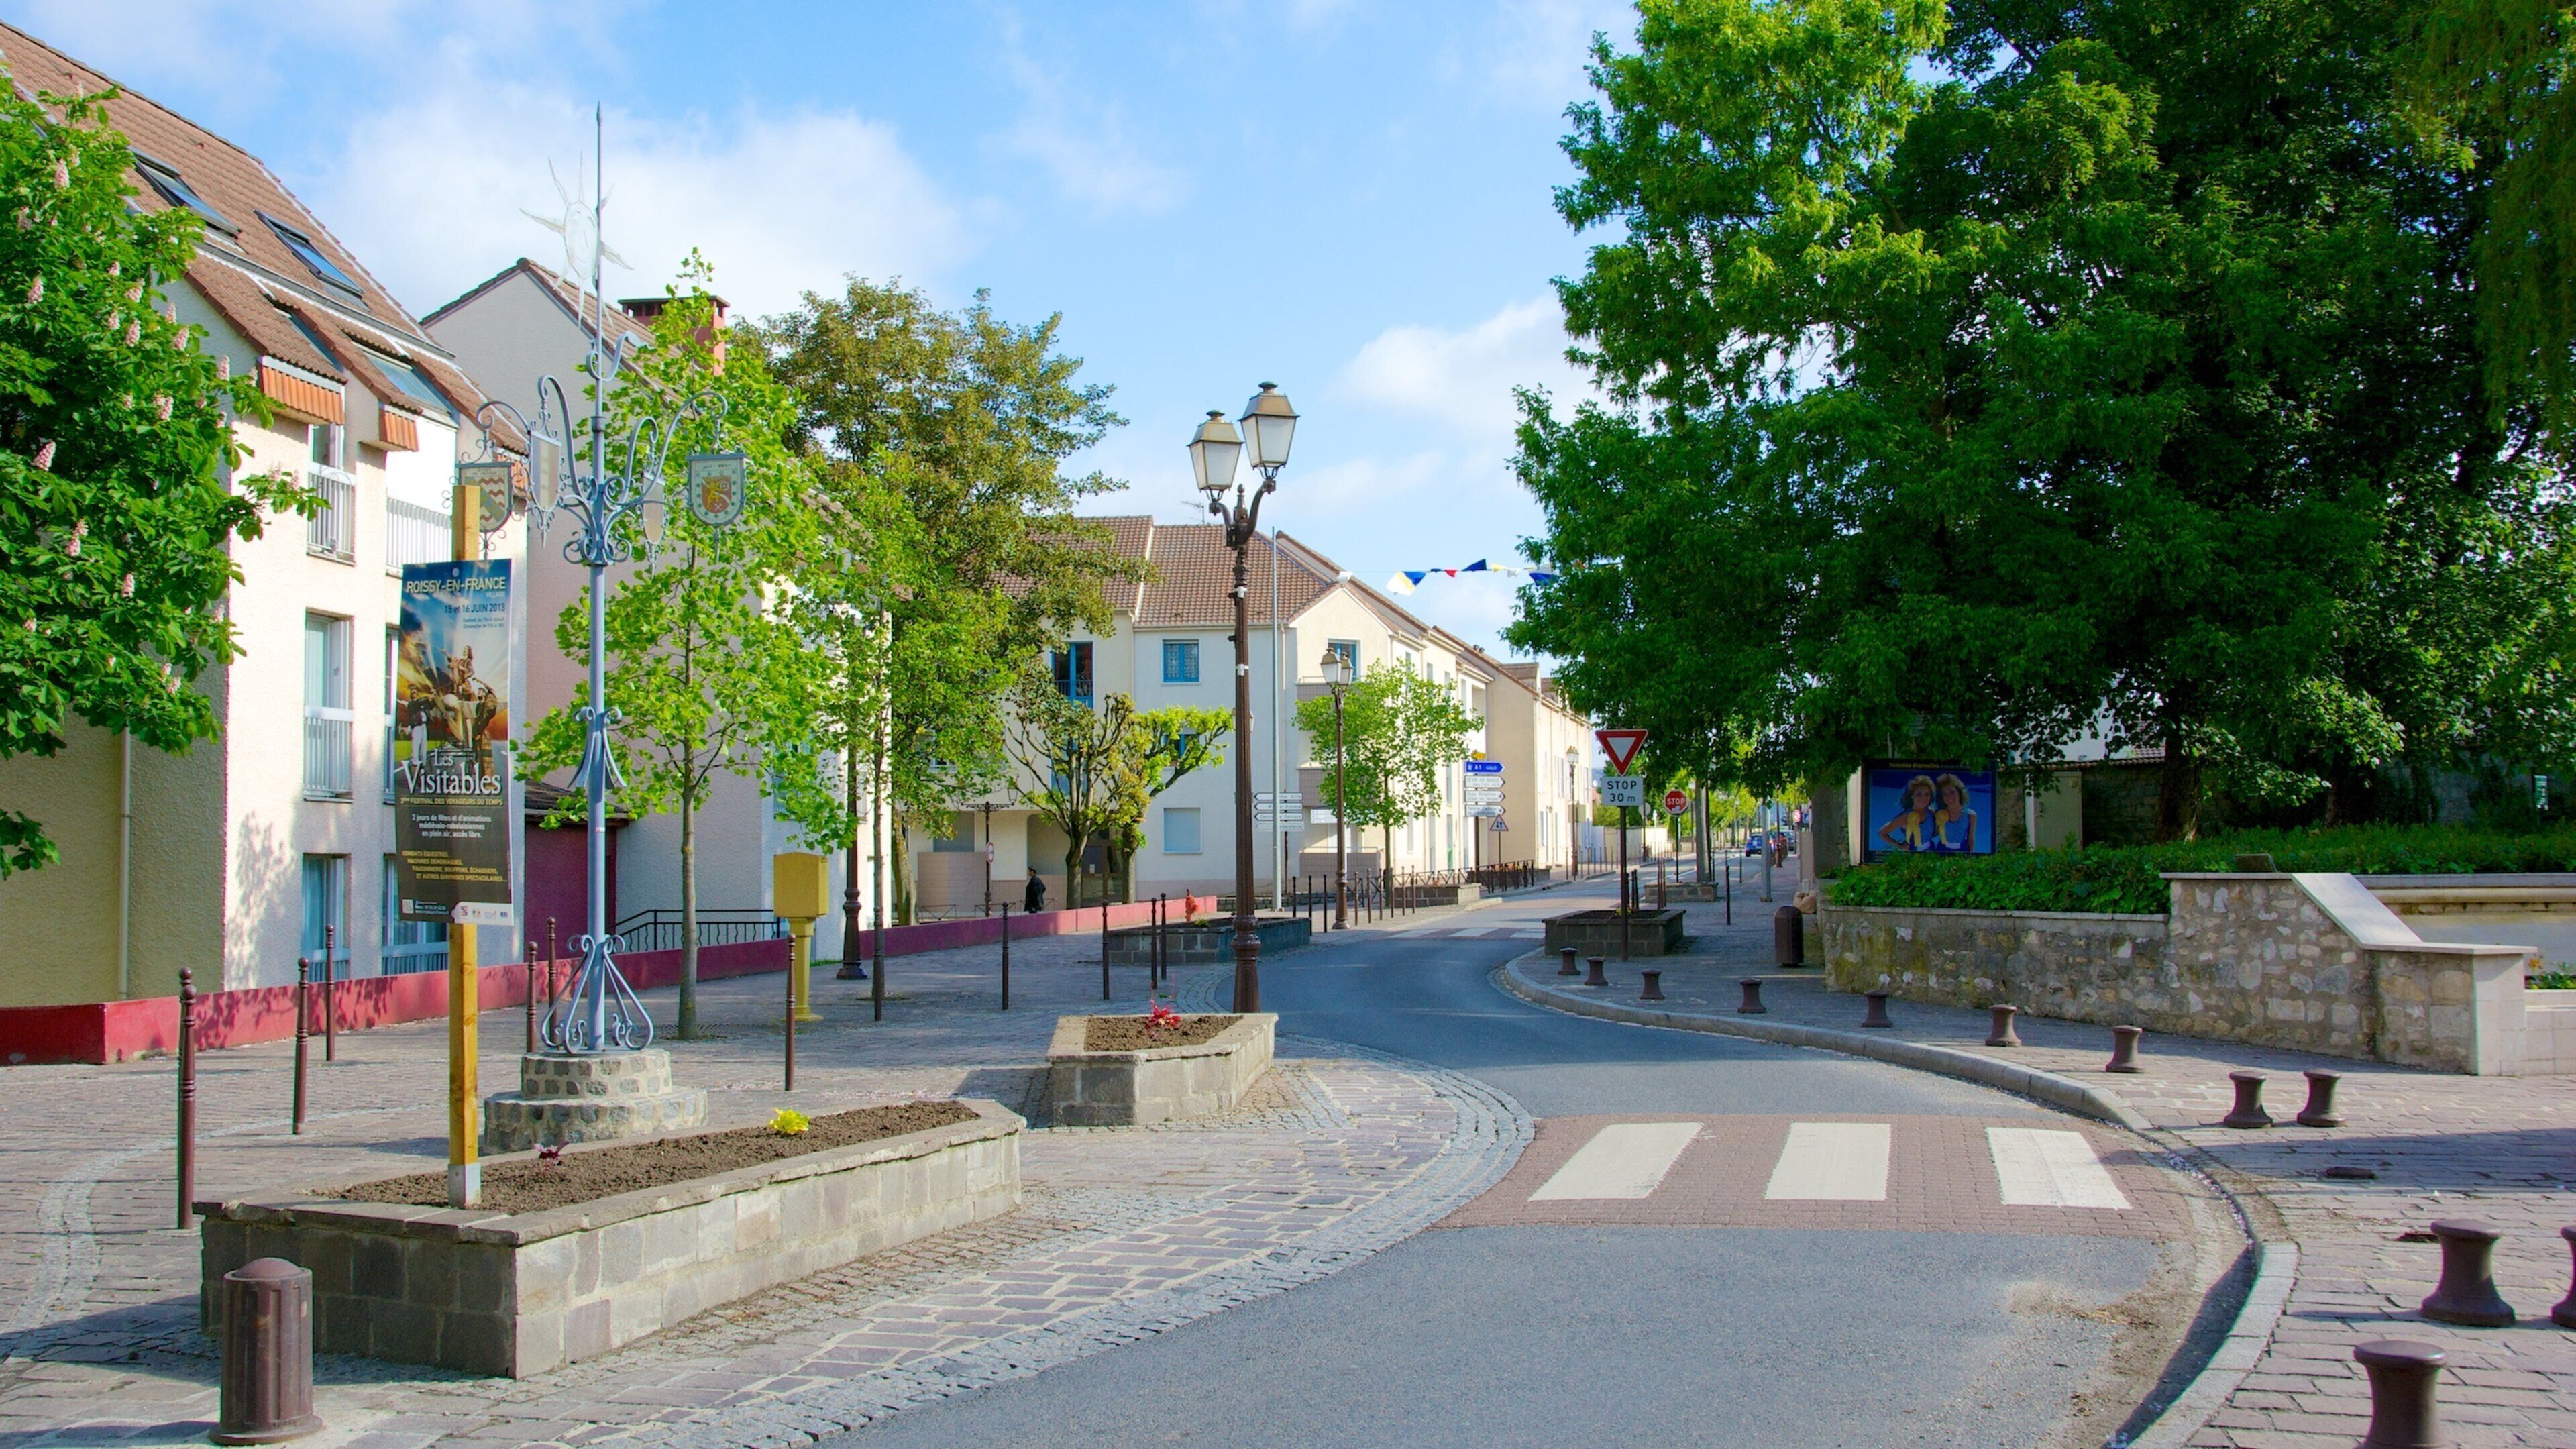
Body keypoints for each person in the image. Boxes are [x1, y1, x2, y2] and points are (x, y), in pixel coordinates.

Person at [1878, 774, 1939, 852]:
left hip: (1931, 852)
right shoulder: (1905, 817)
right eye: (1919, 794)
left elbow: (1933, 834)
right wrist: (1899, 846)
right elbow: (1882, 833)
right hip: (1913, 857)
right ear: (1912, 796)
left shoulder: (1931, 812)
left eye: (1927, 794)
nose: (1923, 798)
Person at [1932, 773, 1980, 853]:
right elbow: (1934, 834)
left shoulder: (1970, 815)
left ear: (1959, 793)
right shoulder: (1940, 813)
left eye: (1952, 792)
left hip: (1962, 850)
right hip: (1942, 850)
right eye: (1945, 794)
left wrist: (1970, 856)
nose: (1949, 797)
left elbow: (1970, 838)